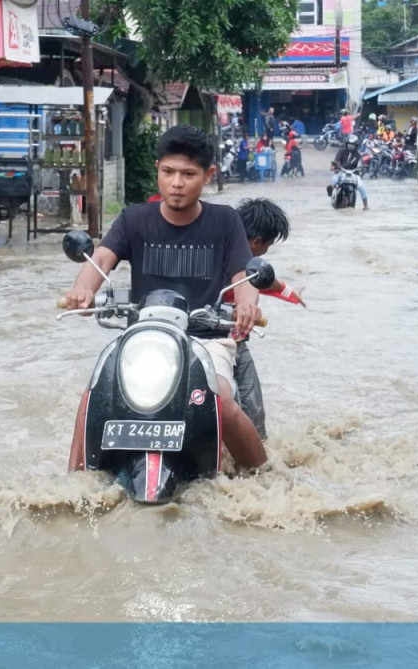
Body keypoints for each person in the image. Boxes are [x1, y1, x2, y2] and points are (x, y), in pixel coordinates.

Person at [63, 124, 268, 471]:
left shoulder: (225, 221)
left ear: (208, 175)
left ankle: (263, 478)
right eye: (168, 172)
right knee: (93, 396)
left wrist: (248, 303)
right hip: (144, 338)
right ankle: (74, 480)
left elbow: (243, 275)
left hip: (208, 340)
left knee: (221, 400)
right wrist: (84, 290)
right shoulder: (133, 218)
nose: (176, 183)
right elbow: (100, 260)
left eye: (188, 174)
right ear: (157, 170)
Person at [226, 198, 305, 440]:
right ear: (257, 241)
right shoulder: (214, 252)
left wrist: (293, 295)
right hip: (208, 340)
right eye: (268, 245)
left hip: (233, 343)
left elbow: (267, 282)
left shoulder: (251, 268)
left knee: (253, 414)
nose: (266, 251)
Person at [326, 133, 369, 210]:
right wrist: (333, 166)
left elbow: (359, 164)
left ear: (356, 146)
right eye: (349, 145)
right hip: (341, 172)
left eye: (353, 145)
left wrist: (362, 168)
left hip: (354, 173)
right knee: (335, 179)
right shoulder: (341, 151)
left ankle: (365, 206)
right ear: (346, 144)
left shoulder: (358, 155)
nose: (351, 147)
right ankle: (331, 189)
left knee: (361, 188)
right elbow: (336, 160)